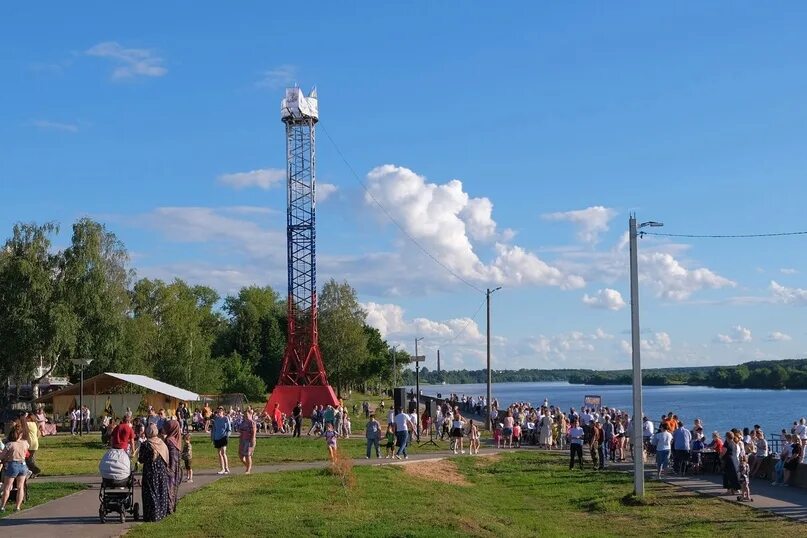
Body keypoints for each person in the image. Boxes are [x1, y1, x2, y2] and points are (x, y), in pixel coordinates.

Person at [138, 424, 170, 522]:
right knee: (161, 490)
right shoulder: (162, 443)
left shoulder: (146, 444)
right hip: (161, 471)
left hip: (150, 471)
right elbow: (166, 457)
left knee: (151, 492)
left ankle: (152, 515)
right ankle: (161, 513)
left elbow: (141, 459)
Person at [0, 426, 29, 512]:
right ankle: (17, 507)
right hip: (23, 465)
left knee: (7, 487)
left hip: (12, 465)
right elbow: (26, 453)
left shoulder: (10, 444)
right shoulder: (25, 443)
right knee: (20, 487)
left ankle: (2, 506)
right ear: (20, 434)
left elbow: (2, 456)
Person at [161, 420, 182, 514]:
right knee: (173, 488)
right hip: (175, 469)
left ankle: (168, 508)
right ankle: (172, 507)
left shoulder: (169, 441)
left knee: (169, 488)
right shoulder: (177, 439)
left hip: (170, 469)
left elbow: (171, 457)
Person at [211, 406, 231, 475]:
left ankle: (226, 468)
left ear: (223, 412)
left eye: (221, 411)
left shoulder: (226, 418)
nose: (219, 412)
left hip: (223, 437)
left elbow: (229, 429)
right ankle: (222, 468)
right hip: (217, 437)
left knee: (223, 452)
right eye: (218, 411)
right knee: (219, 453)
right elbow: (213, 429)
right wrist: (212, 438)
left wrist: (227, 436)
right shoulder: (215, 419)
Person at [239, 408, 257, 474]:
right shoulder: (243, 422)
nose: (246, 416)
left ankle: (248, 470)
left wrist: (252, 439)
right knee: (240, 455)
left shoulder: (252, 422)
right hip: (243, 439)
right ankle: (248, 466)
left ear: (250, 414)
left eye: (247, 414)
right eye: (244, 415)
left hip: (249, 440)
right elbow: (240, 430)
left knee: (247, 455)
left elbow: (254, 432)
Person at [24, 414, 42, 478]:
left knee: (27, 459)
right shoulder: (34, 424)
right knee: (30, 459)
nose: (25, 418)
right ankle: (33, 472)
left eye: (27, 417)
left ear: (29, 418)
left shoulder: (29, 424)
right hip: (34, 443)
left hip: (30, 444)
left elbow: (21, 424)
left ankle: (36, 470)